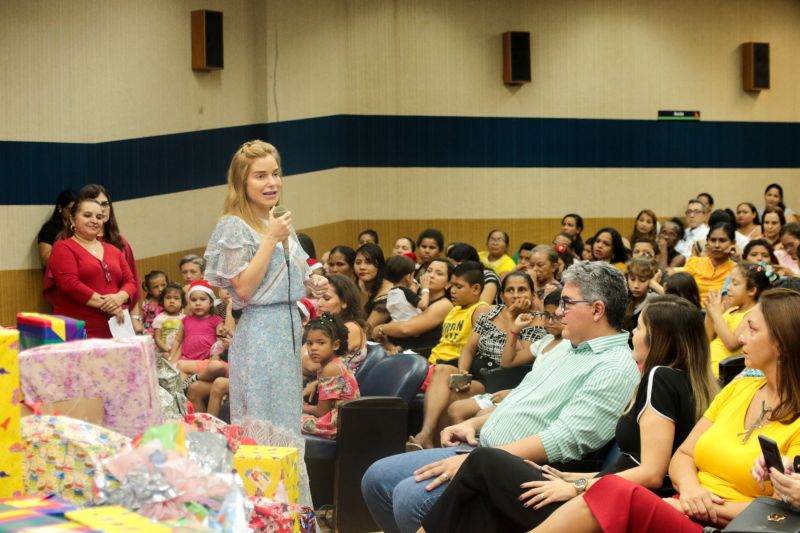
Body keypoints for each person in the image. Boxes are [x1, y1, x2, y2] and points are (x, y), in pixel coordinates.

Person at [361, 262, 640, 533]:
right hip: (485, 450)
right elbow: (520, 397)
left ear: (597, 310)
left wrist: (476, 464)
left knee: (410, 497)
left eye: (567, 303)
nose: (559, 312)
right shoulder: (569, 347)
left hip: (524, 471)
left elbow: (563, 439)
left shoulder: (613, 367)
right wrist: (473, 425)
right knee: (377, 478)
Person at [418, 296, 718, 533]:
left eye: (639, 329)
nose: (633, 335)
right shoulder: (691, 383)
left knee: (484, 460)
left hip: (611, 505)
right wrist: (574, 475)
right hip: (606, 489)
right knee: (485, 495)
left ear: (659, 338)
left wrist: (575, 486)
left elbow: (652, 472)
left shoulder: (660, 377)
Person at [535, 288, 800, 532]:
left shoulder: (660, 377)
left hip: (718, 524)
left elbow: (777, 513)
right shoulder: (739, 389)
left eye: (752, 329)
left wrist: (690, 505)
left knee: (615, 492)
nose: (740, 337)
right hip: (680, 504)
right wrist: (690, 489)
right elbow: (683, 455)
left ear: (781, 344)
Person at [203, 140, 328, 503]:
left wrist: (315, 281)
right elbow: (241, 288)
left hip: (288, 330)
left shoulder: (274, 220)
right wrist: (271, 240)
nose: (271, 182)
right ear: (242, 182)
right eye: (260, 176)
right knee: (261, 427)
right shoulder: (233, 226)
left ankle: (291, 511)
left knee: (286, 427)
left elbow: (302, 269)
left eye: (275, 174)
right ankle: (264, 511)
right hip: (258, 333)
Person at [407, 268, 534, 451]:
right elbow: (468, 348)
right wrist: (463, 373)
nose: (515, 295)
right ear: (502, 294)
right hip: (480, 378)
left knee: (450, 399)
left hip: (505, 381)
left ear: (531, 293)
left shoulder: (537, 320)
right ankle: (427, 436)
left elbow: (519, 359)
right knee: (443, 371)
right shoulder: (489, 313)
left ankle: (441, 449)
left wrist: (512, 319)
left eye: (521, 290)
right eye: (510, 290)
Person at [448, 289, 566, 427]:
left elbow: (551, 385)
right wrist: (514, 329)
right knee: (456, 409)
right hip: (520, 393)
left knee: (481, 416)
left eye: (557, 317)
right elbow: (508, 361)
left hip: (532, 398)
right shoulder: (545, 341)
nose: (550, 321)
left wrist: (514, 392)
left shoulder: (570, 345)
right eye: (546, 315)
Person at [43, 197, 137, 338]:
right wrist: (109, 305)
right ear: (73, 220)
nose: (94, 220)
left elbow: (130, 281)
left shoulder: (113, 250)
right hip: (79, 330)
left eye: (99, 217)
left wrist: (119, 298)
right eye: (87, 215)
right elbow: (70, 284)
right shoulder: (63, 247)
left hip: (117, 329)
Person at [374, 258, 455, 357]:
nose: (431, 275)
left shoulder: (444, 304)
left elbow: (406, 328)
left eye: (439, 273)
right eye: (429, 271)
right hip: (404, 352)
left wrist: (380, 328)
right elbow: (397, 322)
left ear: (449, 283)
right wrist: (389, 343)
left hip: (425, 357)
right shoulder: (418, 299)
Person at [77, 184, 140, 306]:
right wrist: (105, 303)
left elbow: (132, 281)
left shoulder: (120, 241)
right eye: (95, 203)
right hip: (82, 312)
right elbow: (67, 285)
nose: (101, 209)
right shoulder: (66, 242)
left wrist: (135, 315)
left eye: (105, 204)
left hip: (119, 314)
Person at [301, 313, 361, 439]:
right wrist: (316, 383)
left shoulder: (330, 369)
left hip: (337, 424)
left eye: (321, 343)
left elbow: (322, 412)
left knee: (288, 421)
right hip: (345, 420)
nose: (313, 348)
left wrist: (299, 408)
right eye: (309, 343)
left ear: (335, 345)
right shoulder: (336, 363)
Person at [706, 263, 770, 377]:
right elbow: (706, 338)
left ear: (751, 291)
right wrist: (710, 313)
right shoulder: (732, 310)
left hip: (720, 374)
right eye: (729, 282)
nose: (728, 287)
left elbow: (732, 344)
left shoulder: (753, 313)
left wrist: (716, 315)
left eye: (735, 284)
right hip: (706, 367)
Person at [306, 273, 368, 380]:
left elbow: (310, 365)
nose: (319, 304)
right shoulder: (325, 327)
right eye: (318, 298)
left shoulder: (351, 328)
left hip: (340, 392)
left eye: (326, 298)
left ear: (344, 302)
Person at [170, 280, 227, 372]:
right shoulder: (185, 320)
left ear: (211, 302)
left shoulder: (216, 320)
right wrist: (171, 357)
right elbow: (178, 340)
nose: (198, 303)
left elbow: (220, 344)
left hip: (206, 362)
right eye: (193, 300)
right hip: (185, 360)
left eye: (202, 299)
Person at [678, 222, 737, 306]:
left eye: (722, 240)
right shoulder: (695, 262)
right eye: (713, 240)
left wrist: (740, 256)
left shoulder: (737, 269)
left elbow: (760, 271)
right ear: (707, 242)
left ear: (733, 243)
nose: (716, 245)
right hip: (692, 312)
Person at [355, 243, 393, 331]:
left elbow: (367, 331)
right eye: (358, 262)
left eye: (368, 262)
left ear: (379, 265)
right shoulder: (356, 285)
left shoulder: (388, 292)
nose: (362, 267)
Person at [37, 189, 76, 268]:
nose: (73, 213)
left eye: (75, 210)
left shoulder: (80, 228)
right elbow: (45, 260)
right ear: (60, 208)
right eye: (69, 209)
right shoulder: (49, 228)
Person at [622, 257, 661, 334]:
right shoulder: (621, 297)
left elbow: (680, 307)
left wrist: (654, 284)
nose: (636, 285)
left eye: (642, 280)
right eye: (632, 279)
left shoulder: (653, 300)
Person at [385, 255, 428, 322]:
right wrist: (425, 289)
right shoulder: (405, 292)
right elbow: (423, 305)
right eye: (412, 276)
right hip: (413, 327)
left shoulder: (391, 293)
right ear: (408, 277)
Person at [152, 283, 185, 355]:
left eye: (176, 298)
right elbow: (157, 338)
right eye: (168, 297)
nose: (172, 301)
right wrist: (167, 349)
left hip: (180, 352)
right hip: (164, 352)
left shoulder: (185, 319)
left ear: (182, 303)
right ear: (162, 301)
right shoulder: (159, 318)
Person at [130, 270, 167, 334]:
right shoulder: (146, 305)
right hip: (150, 334)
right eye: (156, 287)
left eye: (163, 285)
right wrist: (144, 332)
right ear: (149, 290)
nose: (160, 289)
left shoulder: (170, 301)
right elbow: (141, 320)